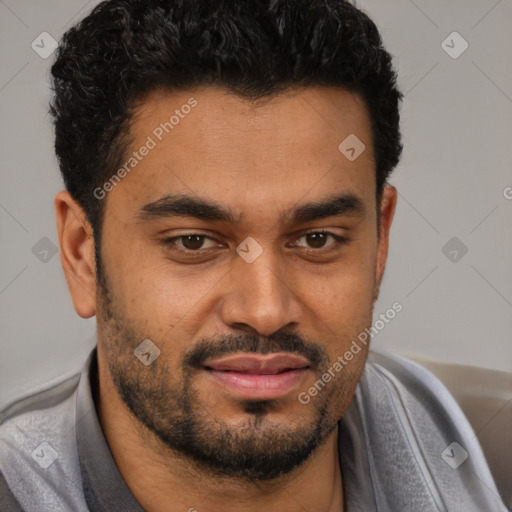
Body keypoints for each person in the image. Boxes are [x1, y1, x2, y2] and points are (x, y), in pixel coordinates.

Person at [0, 0, 507, 510]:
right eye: (194, 242)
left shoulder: (492, 456)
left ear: (380, 240)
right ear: (82, 255)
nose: (265, 310)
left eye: (317, 239)